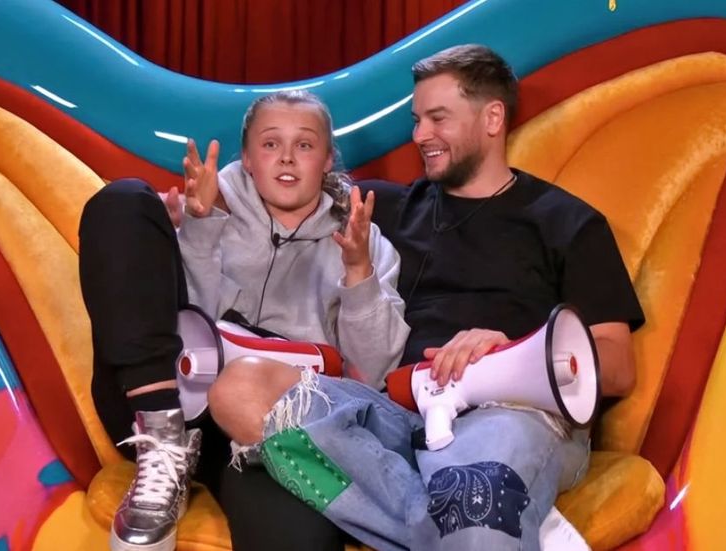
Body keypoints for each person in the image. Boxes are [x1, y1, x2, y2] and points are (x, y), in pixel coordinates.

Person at [207, 44, 644, 550]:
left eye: (438, 118)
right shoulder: (382, 209)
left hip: (505, 411)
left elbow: (616, 365)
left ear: (492, 118)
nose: (419, 136)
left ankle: (476, 510)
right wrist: (201, 214)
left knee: (472, 484)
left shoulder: (567, 222)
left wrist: (508, 351)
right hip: (392, 415)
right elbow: (279, 192)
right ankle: (483, 519)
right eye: (417, 120)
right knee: (239, 389)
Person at [78, 90, 409, 551]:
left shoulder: (363, 240)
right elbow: (183, 328)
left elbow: (373, 376)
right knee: (125, 199)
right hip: (165, 396)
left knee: (297, 536)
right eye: (271, 144)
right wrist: (199, 230)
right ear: (248, 159)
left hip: (261, 426)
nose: (287, 157)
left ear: (327, 160)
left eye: (305, 145)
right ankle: (163, 445)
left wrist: (358, 274)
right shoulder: (208, 205)